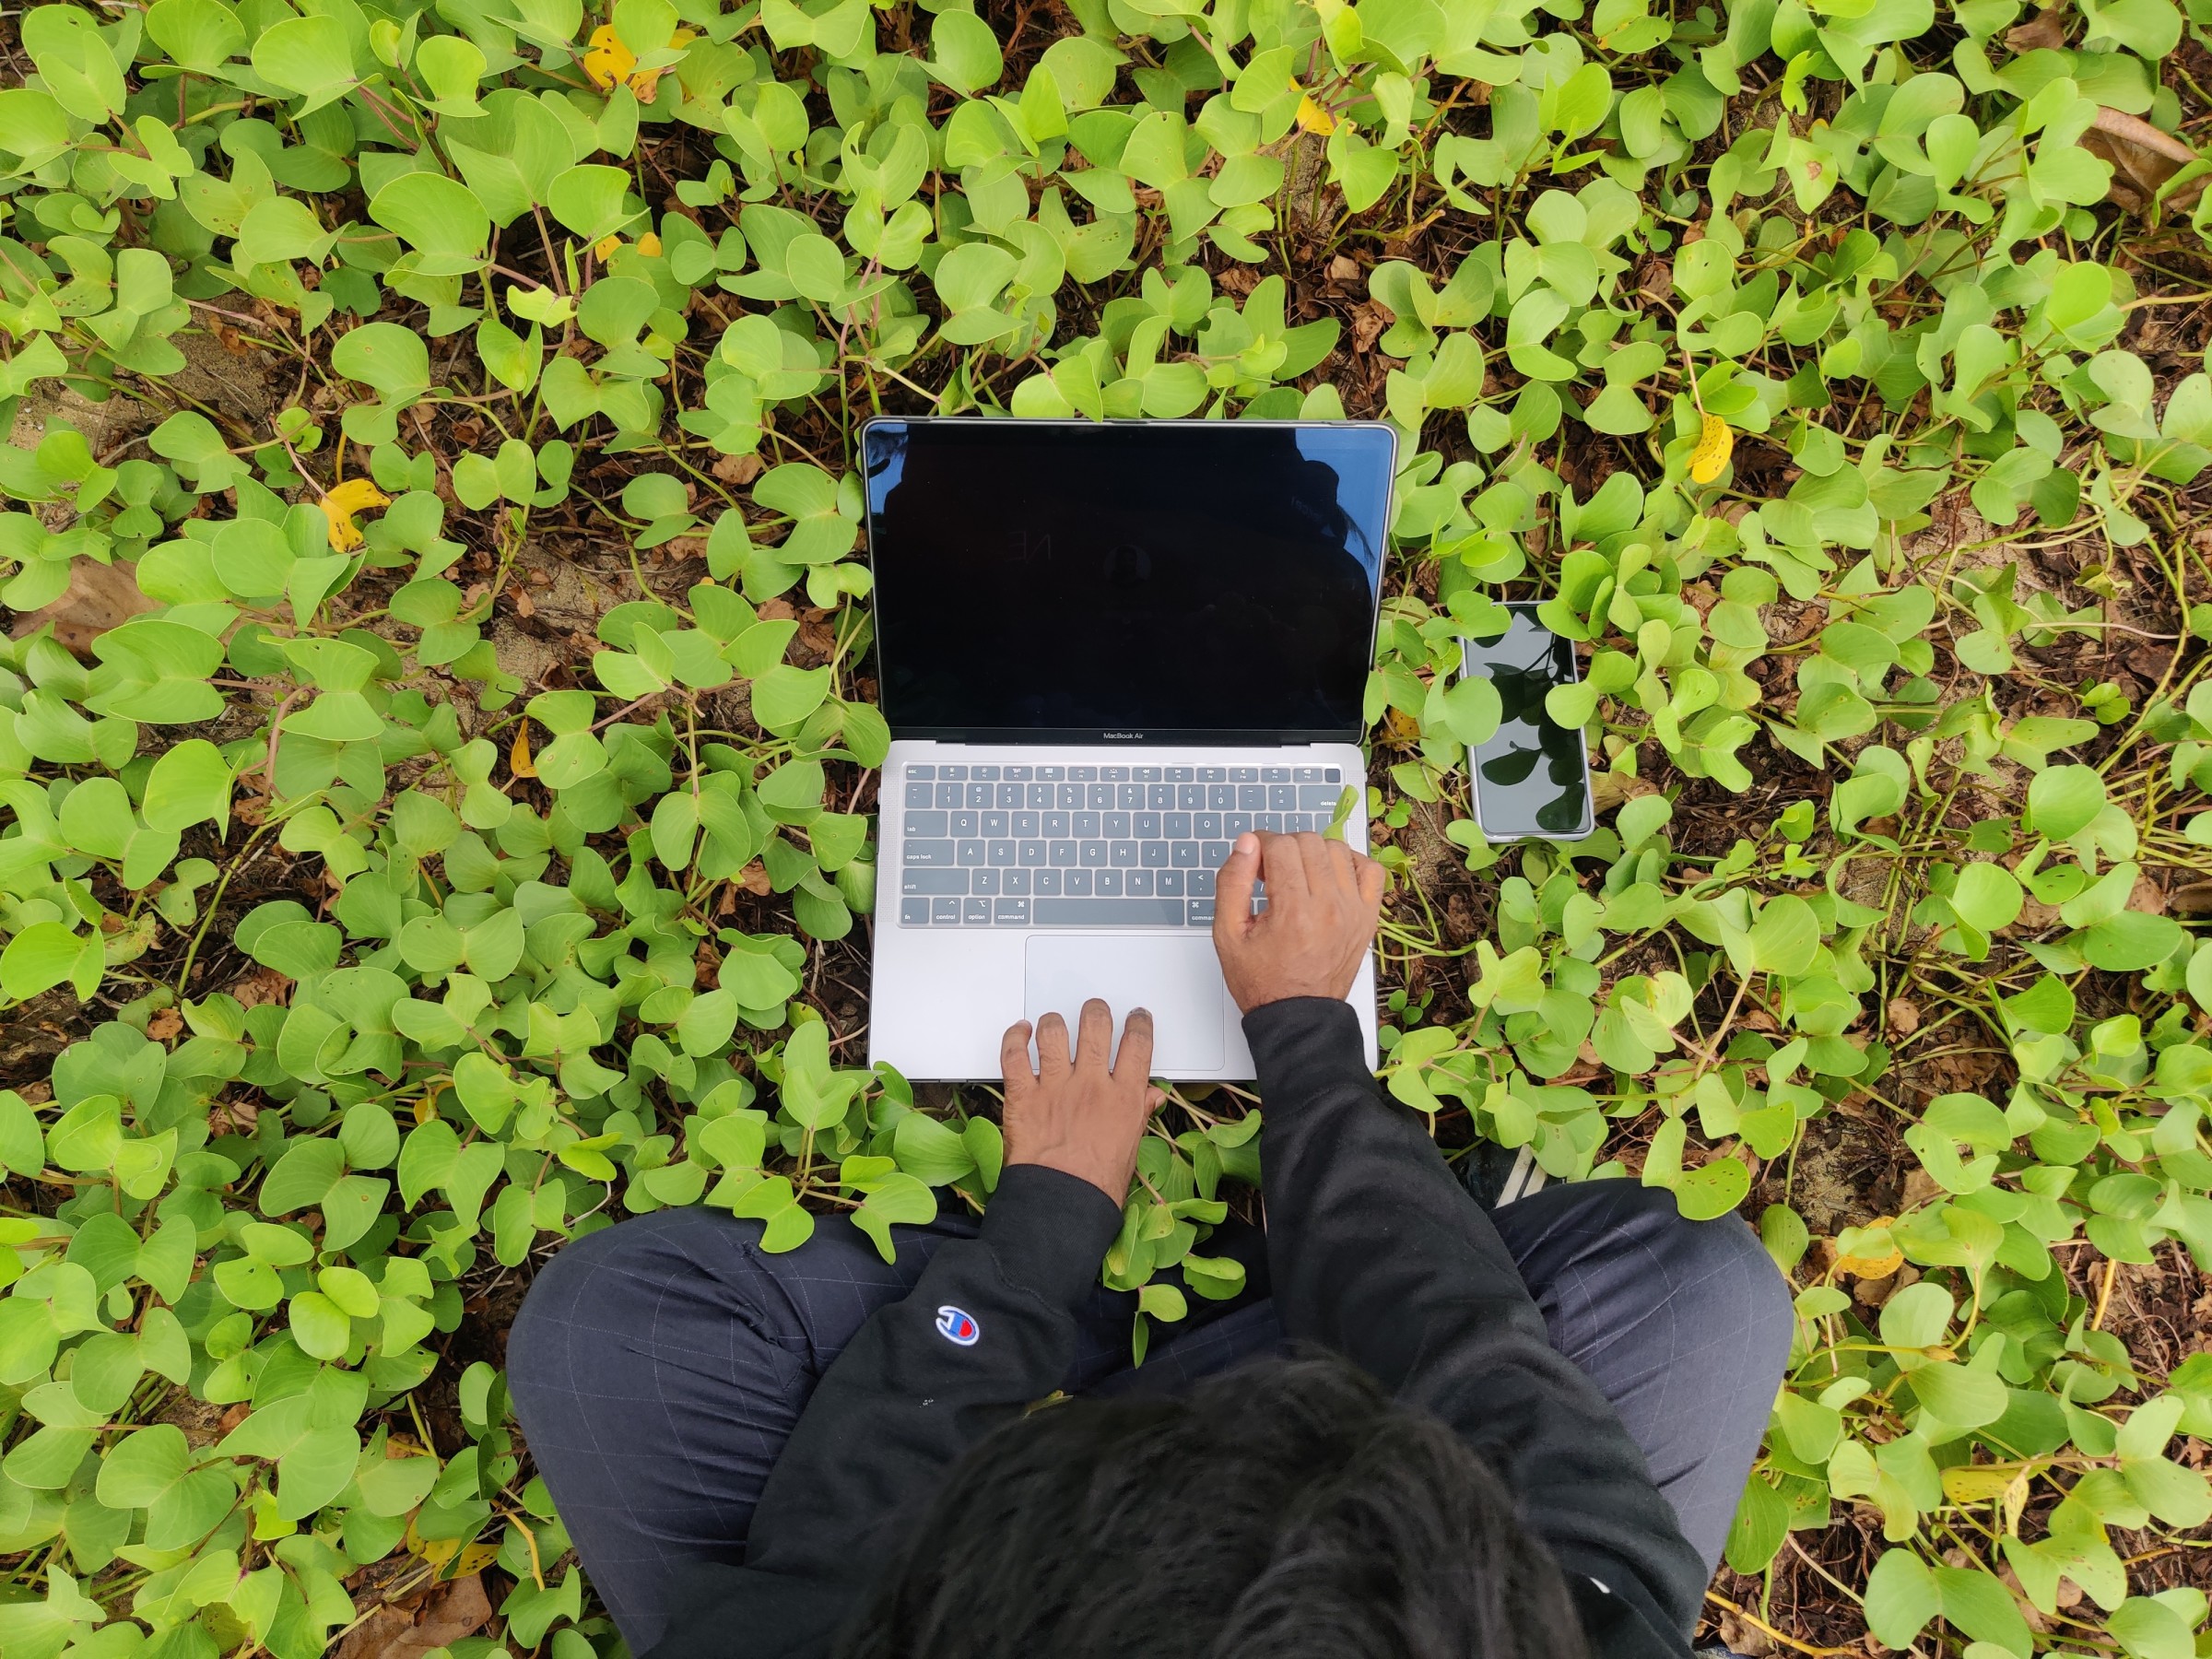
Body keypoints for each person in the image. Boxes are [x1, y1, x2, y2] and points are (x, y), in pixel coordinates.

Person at [508, 832, 1794, 1659]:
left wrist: (1046, 1223)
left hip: (888, 1553)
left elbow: (840, 1536)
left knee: (612, 1335)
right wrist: (1302, 1038)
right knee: (1703, 1296)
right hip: (1396, 1425)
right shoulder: (1572, 1623)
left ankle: (1250, 1271)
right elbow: (1473, 1356)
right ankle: (1335, 1244)